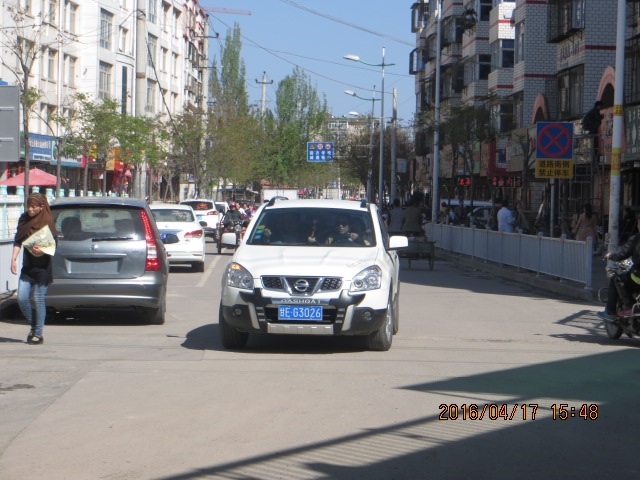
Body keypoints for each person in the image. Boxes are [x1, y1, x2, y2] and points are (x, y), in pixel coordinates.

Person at [10, 193, 58, 345]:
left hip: (43, 268)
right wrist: (13, 259)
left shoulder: (47, 221)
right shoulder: (24, 220)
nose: (30, 210)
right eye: (28, 206)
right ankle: (34, 325)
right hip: (28, 267)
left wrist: (42, 250)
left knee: (38, 298)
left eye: (33, 207)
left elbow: (54, 245)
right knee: (22, 298)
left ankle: (38, 333)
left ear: (41, 207)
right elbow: (18, 240)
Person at [597, 212, 640, 322]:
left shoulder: (636, 239)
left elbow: (623, 253)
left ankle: (614, 311)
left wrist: (610, 255)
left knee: (616, 279)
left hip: (638, 277)